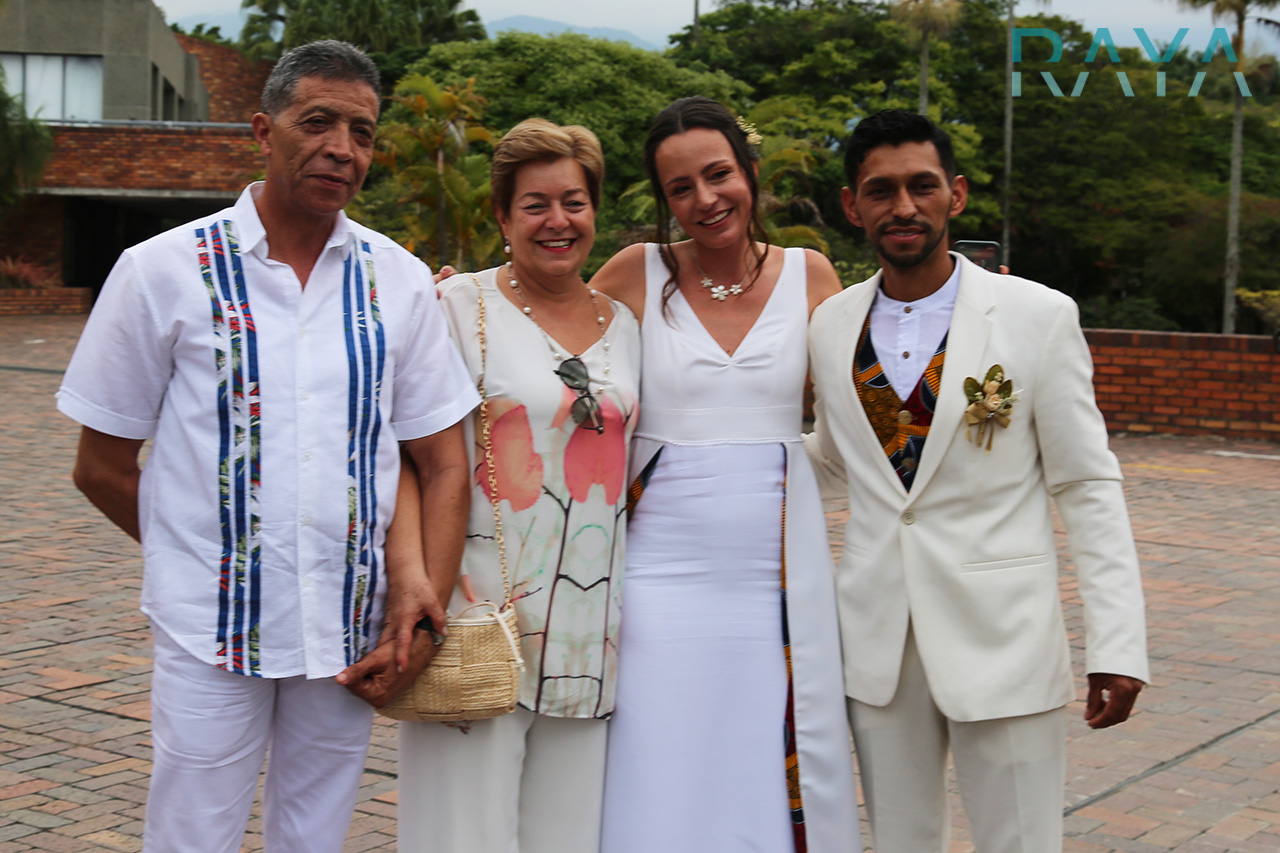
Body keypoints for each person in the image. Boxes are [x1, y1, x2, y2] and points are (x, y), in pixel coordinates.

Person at [55, 41, 477, 853]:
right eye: (316, 121)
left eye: (361, 130)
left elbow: (444, 458)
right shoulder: (161, 271)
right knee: (191, 833)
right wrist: (207, 558)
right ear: (263, 129)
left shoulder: (397, 280)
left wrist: (420, 610)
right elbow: (99, 466)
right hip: (209, 629)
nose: (341, 148)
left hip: (348, 631)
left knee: (314, 835)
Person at [805, 108, 1150, 851]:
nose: (903, 206)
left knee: (1019, 840)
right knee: (900, 840)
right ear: (851, 205)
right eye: (880, 189)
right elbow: (833, 458)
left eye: (922, 186)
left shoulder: (1036, 315)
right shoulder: (831, 323)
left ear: (955, 195)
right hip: (877, 644)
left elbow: (1087, 483)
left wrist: (1118, 642)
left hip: (1003, 634)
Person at [345, 118, 641, 853]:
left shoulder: (627, 325)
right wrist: (415, 590)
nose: (557, 221)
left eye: (573, 201)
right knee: (460, 839)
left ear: (594, 210)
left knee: (566, 840)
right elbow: (411, 462)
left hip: (588, 629)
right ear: (503, 217)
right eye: (534, 204)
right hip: (477, 620)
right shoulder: (456, 308)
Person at [593, 96, 861, 852]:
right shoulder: (633, 274)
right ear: (664, 200)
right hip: (656, 574)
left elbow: (852, 418)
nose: (705, 200)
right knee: (658, 750)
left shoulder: (811, 276)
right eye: (681, 188)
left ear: (749, 171)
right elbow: (547, 343)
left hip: (775, 571)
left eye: (718, 175)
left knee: (769, 738)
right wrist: (460, 297)